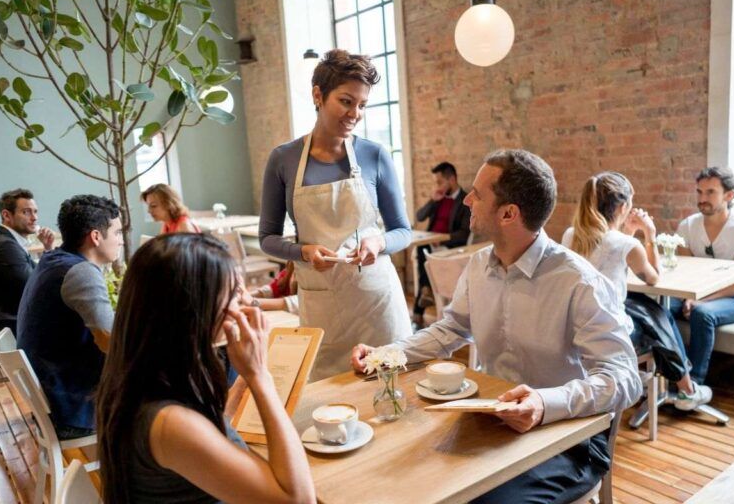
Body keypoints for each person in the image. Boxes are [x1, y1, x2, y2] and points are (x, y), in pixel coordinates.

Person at [351, 149, 642, 503]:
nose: (467, 200)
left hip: (566, 438)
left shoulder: (579, 281)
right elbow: (449, 331)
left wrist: (544, 402)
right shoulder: (477, 266)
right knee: (400, 478)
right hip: (490, 422)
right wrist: (385, 354)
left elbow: (625, 378)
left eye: (477, 194)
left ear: (508, 213)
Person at [96, 234, 315, 504]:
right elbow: (298, 499)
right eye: (235, 293)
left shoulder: (141, 373)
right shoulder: (169, 423)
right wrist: (260, 376)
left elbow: (210, 426)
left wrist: (243, 384)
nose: (246, 302)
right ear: (194, 308)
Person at [259, 49, 412, 380]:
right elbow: (267, 238)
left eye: (362, 105)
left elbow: (403, 230)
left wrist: (378, 243)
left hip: (377, 306)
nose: (355, 113)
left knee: (390, 399)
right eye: (346, 101)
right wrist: (303, 251)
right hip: (322, 308)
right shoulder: (283, 159)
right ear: (318, 95)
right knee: (327, 404)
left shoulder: (374, 155)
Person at [562, 172, 712, 411]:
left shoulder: (571, 235)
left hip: (574, 326)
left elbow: (608, 260)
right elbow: (654, 277)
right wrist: (649, 235)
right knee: (657, 315)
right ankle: (685, 387)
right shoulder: (626, 244)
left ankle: (678, 385)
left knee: (649, 309)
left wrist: (628, 234)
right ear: (622, 207)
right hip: (608, 331)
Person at [17, 195, 122, 439]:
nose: (121, 241)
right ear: (96, 236)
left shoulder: (53, 259)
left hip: (54, 396)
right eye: (116, 233)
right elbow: (111, 340)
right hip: (74, 406)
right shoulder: (80, 271)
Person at [672, 167, 734, 385]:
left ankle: (693, 386)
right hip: (696, 295)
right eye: (699, 192)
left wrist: (699, 300)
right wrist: (687, 298)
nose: (702, 198)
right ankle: (676, 373)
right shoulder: (688, 226)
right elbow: (684, 271)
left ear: (729, 195)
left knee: (702, 313)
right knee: (660, 307)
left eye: (710, 192)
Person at [0, 189, 55, 347]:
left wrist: (47, 248)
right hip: (7, 333)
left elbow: (38, 277)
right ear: (7, 215)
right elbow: (36, 288)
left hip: (9, 326)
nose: (34, 218)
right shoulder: (4, 247)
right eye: (26, 212)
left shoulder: (8, 243)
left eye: (35, 212)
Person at [412, 161, 471, 327]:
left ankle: (418, 311)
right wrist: (432, 200)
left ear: (451, 179)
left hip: (449, 247)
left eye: (439, 182)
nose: (437, 186)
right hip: (430, 245)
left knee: (423, 252)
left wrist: (444, 238)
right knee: (422, 247)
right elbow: (420, 217)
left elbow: (464, 233)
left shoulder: (465, 201)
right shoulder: (438, 199)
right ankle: (426, 291)